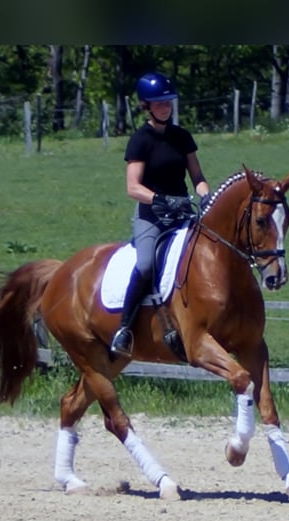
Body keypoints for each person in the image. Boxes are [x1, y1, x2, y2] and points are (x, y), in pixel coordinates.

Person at [110, 71, 211, 358]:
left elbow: (198, 177)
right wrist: (161, 200)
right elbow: (133, 187)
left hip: (182, 213)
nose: (165, 107)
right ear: (147, 105)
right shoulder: (140, 140)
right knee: (144, 265)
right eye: (159, 103)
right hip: (151, 216)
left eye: (168, 101)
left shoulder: (182, 137)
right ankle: (124, 329)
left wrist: (206, 196)